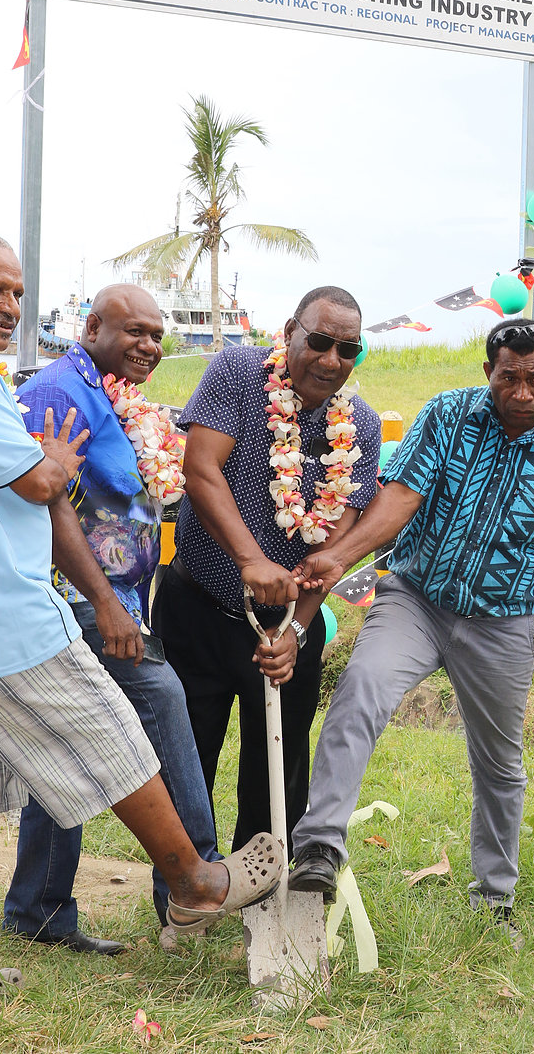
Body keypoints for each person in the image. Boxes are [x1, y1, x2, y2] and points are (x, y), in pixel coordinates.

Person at [0, 233, 282, 1008]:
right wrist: (56, 461)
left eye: (19, 293)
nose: (10, 307)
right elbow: (37, 481)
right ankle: (194, 881)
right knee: (115, 732)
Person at [287, 317, 534, 946]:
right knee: (362, 690)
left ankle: (494, 899)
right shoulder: (447, 415)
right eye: (508, 377)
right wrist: (339, 558)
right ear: (488, 373)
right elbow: (400, 498)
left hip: (503, 624)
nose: (522, 392)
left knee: (500, 764)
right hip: (418, 599)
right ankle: (320, 849)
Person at [3, 283, 219, 954]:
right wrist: (102, 603)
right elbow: (42, 505)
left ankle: (37, 910)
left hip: (120, 599)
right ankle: (195, 892)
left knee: (68, 748)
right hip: (77, 604)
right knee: (162, 706)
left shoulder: (114, 395)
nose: (149, 346)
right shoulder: (57, 393)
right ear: (91, 326)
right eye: (134, 332)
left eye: (157, 335)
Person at [152, 287, 381, 855]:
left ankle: (259, 897)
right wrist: (251, 560)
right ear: (290, 331)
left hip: (289, 627)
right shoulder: (237, 371)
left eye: (348, 350)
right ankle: (186, 892)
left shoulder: (365, 426)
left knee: (277, 768)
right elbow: (201, 469)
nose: (331, 360)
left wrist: (297, 631)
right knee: (186, 759)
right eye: (320, 341)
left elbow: (338, 537)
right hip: (199, 607)